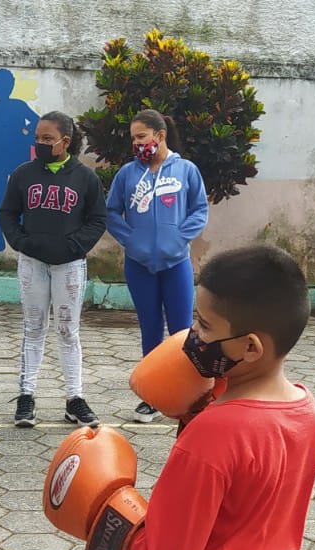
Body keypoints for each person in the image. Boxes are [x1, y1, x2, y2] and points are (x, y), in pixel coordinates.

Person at [49, 245, 315, 550]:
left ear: (251, 348)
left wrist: (110, 511)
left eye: (205, 328)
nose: (190, 337)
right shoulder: (302, 406)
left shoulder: (214, 435)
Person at [0, 111, 105, 428]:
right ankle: (26, 396)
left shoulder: (85, 178)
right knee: (33, 328)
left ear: (65, 142)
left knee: (67, 331)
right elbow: (7, 213)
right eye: (37, 139)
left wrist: (74, 246)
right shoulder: (23, 174)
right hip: (32, 264)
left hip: (70, 266)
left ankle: (75, 399)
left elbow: (97, 220)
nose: (41, 144)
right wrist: (21, 242)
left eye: (48, 139)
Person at [106, 109, 209, 423]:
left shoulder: (186, 170)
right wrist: (132, 240)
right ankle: (152, 398)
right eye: (133, 138)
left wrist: (179, 238)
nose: (137, 144)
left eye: (141, 137)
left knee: (181, 332)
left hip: (176, 264)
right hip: (139, 265)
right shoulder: (127, 174)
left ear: (159, 135)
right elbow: (111, 213)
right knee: (150, 329)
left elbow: (199, 210)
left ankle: (188, 397)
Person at [0, 68, 39, 253]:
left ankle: (21, 233)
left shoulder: (19, 106)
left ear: (11, 85)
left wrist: (26, 135)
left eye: (3, 84)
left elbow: (38, 123)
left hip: (18, 159)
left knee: (21, 197)